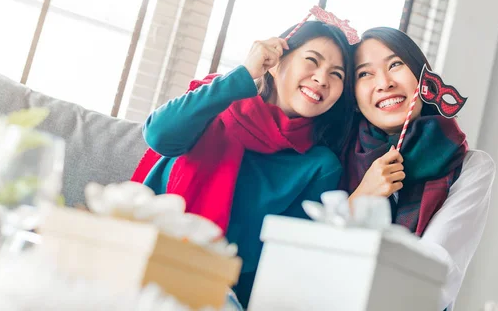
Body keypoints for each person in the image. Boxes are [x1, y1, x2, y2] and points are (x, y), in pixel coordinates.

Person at [131, 20, 356, 307]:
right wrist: (245, 75)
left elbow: (283, 263)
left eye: (336, 74)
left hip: (216, 291)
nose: (322, 78)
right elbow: (159, 135)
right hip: (141, 254)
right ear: (275, 62)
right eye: (312, 60)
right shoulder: (216, 102)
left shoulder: (319, 165)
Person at [341, 27, 495, 310]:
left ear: (425, 79)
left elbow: (436, 273)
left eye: (395, 64)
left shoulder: (471, 167)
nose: (384, 83)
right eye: (365, 73)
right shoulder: (334, 155)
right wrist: (362, 196)